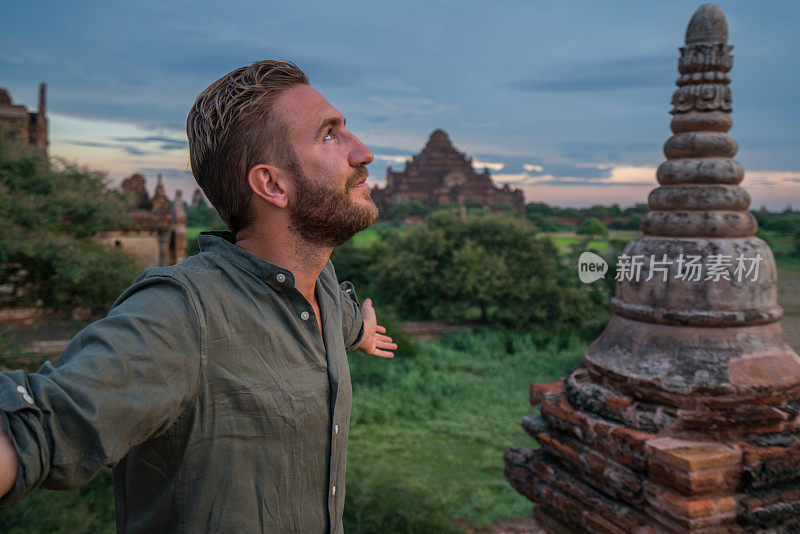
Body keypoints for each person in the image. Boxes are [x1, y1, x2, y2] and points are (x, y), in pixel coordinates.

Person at [0, 60, 396, 533]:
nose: (364, 152)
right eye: (329, 135)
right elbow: (40, 426)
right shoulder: (184, 311)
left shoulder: (323, 289)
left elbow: (343, 317)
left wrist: (362, 331)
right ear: (271, 184)